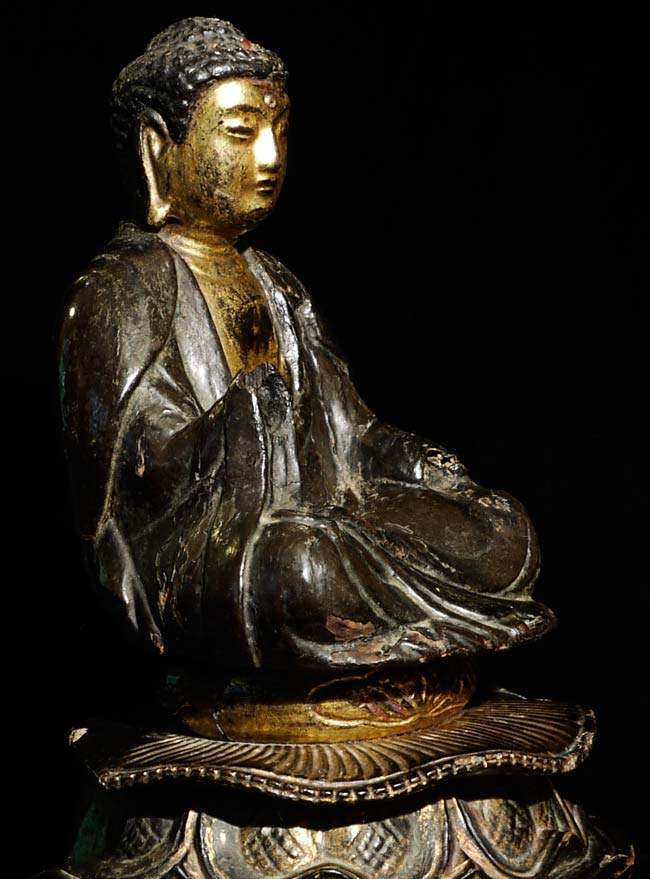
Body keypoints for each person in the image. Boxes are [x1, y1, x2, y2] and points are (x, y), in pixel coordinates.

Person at [59, 17, 554, 682]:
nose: (268, 157)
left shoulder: (277, 282)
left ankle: (386, 639)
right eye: (240, 131)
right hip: (230, 548)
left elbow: (351, 431)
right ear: (157, 146)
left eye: (280, 131)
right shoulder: (118, 291)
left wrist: (408, 458)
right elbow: (129, 497)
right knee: (298, 571)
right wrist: (236, 422)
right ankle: (360, 638)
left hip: (328, 521)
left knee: (504, 533)